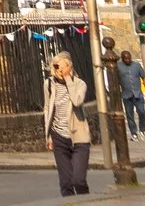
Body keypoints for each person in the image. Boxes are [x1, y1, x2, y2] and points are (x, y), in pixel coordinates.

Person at [46, 52, 93, 196]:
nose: (58, 69)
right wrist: (48, 136)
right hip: (58, 136)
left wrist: (68, 79)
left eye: (61, 66)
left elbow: (77, 101)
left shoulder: (80, 84)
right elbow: (47, 108)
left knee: (78, 180)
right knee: (66, 184)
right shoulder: (49, 84)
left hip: (79, 137)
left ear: (69, 66)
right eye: (56, 66)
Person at [118, 48, 145, 138]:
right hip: (126, 95)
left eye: (129, 58)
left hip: (138, 94)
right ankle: (133, 133)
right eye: (126, 59)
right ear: (122, 59)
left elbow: (144, 78)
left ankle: (142, 130)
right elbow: (115, 80)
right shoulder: (118, 66)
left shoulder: (137, 65)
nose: (128, 60)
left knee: (142, 112)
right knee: (129, 114)